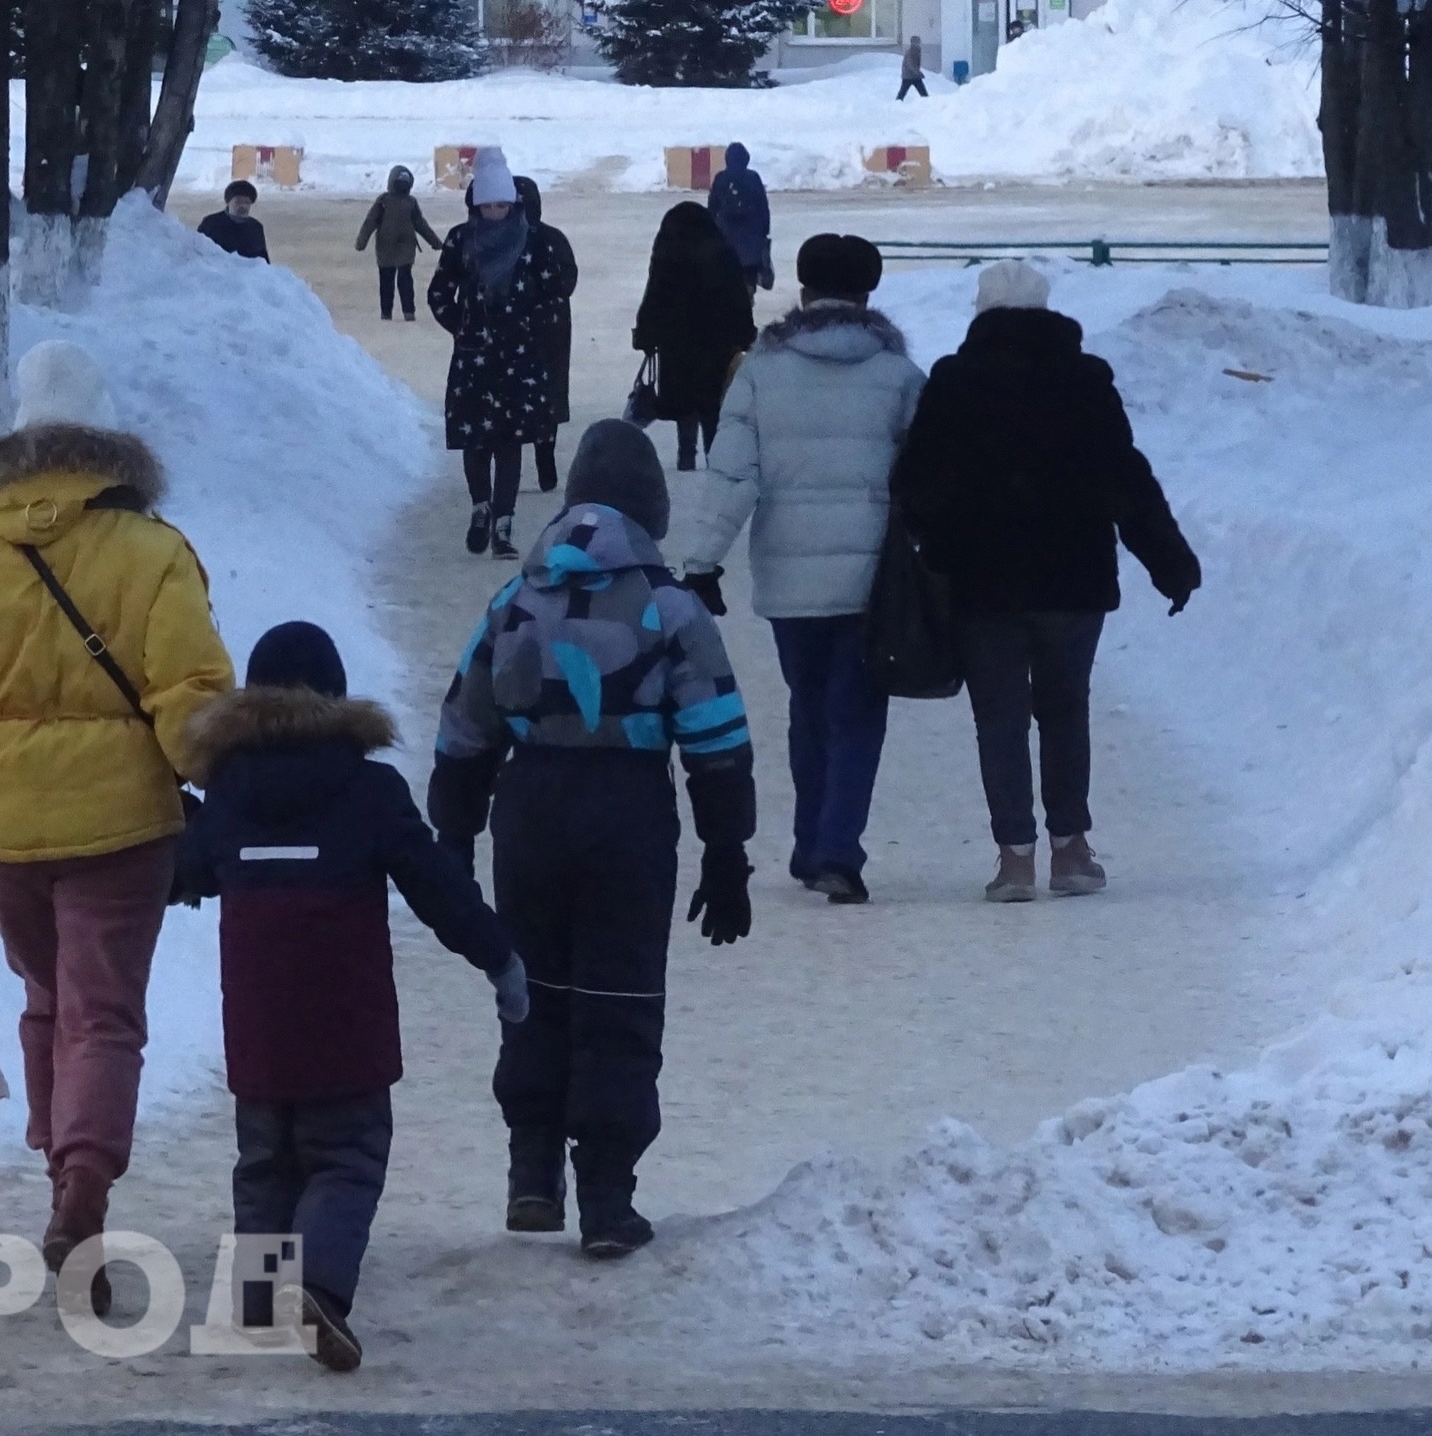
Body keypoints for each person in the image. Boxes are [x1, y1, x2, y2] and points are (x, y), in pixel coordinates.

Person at [0, 340, 237, 1314]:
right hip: (121, 824)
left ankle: (58, 1174)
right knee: (103, 1011)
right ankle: (84, 1181)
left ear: (18, 431)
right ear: (106, 431)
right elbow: (190, 691)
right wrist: (227, 783)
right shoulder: (155, 552)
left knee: (48, 990)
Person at [429, 419, 756, 1261]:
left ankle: (532, 1171)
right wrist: (728, 856)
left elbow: (464, 724)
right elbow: (717, 738)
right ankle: (608, 1197)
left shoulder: (515, 601)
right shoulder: (670, 606)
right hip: (627, 815)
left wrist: (454, 836)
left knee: (531, 983)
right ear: (652, 510)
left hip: (529, 809)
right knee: (620, 995)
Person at [172, 621, 528, 1374]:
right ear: (334, 696)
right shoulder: (370, 790)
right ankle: (322, 1290)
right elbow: (438, 886)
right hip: (346, 1021)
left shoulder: (228, 791)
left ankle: (262, 1296)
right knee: (348, 1157)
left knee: (267, 1159)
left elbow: (185, 873)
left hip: (260, 1024)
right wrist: (498, 958)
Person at [891, 261, 1200, 902]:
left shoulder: (955, 383)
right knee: (1065, 709)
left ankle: (1013, 859)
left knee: (997, 718)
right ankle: (1072, 851)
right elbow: (1127, 478)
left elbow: (918, 482)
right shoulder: (1084, 382)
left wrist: (931, 538)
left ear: (981, 312)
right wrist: (1169, 562)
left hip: (983, 585)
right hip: (1073, 581)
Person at [670, 235, 923, 906]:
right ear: (868, 296)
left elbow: (733, 473)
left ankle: (812, 842)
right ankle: (837, 847)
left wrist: (702, 564)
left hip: (789, 578)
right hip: (874, 581)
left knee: (808, 708)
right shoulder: (899, 377)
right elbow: (928, 478)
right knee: (858, 712)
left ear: (804, 293)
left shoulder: (761, 371)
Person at [428, 148, 571, 562]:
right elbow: (438, 292)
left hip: (519, 360)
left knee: (511, 442)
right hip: (475, 358)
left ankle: (504, 524)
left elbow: (553, 294)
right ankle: (480, 506)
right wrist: (461, 325)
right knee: (476, 439)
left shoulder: (533, 241)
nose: (494, 211)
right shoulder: (461, 239)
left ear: (513, 203)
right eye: (487, 204)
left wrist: (531, 330)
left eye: (501, 204)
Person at [632, 202, 755, 473]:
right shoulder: (722, 252)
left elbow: (654, 296)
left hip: (677, 345)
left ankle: (685, 455)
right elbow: (738, 298)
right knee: (713, 404)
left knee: (684, 402)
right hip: (717, 344)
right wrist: (746, 334)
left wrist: (645, 334)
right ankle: (715, 454)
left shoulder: (668, 253)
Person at [514, 175, 580, 494]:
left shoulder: (501, 240)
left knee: (516, 396)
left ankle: (534, 465)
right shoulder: (555, 238)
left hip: (521, 328)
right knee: (548, 397)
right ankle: (545, 464)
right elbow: (569, 279)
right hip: (552, 329)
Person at [355, 165, 442, 321]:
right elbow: (420, 224)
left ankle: (392, 313)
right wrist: (435, 242)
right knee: (399, 281)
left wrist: (435, 242)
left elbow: (370, 223)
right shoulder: (387, 201)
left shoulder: (395, 201)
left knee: (394, 281)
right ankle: (401, 312)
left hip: (392, 248)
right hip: (395, 248)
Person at [705, 142, 773, 292]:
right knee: (749, 282)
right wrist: (763, 232)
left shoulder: (721, 178)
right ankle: (748, 299)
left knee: (727, 286)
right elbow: (763, 208)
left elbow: (712, 208)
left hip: (726, 244)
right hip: (751, 246)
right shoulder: (753, 178)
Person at [199, 180, 270, 262]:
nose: (243, 206)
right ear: (228, 202)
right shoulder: (211, 223)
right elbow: (197, 252)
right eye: (238, 202)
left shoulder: (256, 227)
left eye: (247, 203)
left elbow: (263, 261)